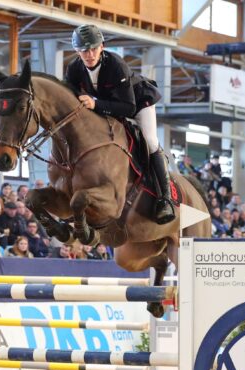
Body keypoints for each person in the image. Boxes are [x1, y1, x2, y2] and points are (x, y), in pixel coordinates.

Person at [66, 26, 172, 223]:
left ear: (102, 47)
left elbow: (128, 108)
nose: (89, 55)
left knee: (149, 140)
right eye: (84, 50)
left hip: (137, 103)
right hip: (106, 107)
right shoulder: (73, 69)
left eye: (93, 49)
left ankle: (164, 199)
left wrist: (95, 103)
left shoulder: (115, 64)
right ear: (76, 51)